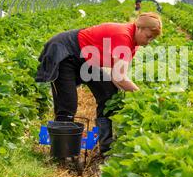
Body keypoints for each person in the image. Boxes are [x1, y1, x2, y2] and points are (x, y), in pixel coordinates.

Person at [35, 12, 162, 155]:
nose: (149, 41)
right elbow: (119, 78)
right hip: (67, 52)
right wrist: (142, 96)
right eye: (148, 36)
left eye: (152, 39)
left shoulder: (134, 43)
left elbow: (117, 77)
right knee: (68, 104)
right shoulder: (124, 36)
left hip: (86, 60)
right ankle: (62, 154)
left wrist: (135, 94)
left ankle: (105, 146)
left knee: (108, 93)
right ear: (139, 28)